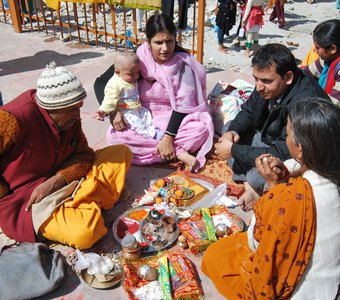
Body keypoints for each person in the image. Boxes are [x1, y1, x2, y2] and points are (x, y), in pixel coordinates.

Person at [202, 98, 340, 299]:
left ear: (299, 148)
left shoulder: (288, 200)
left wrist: (274, 188)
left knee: (216, 257)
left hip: (301, 290)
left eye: (288, 132)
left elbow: (258, 241)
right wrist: (285, 173)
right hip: (332, 284)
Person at [0, 62, 132, 249]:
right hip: (29, 199)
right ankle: (86, 203)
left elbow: (84, 155)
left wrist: (57, 180)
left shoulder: (70, 120)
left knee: (121, 152)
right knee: (86, 233)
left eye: (79, 107)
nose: (78, 115)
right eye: (71, 110)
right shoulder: (12, 118)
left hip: (62, 180)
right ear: (50, 109)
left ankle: (82, 202)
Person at [213, 43, 330, 210]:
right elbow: (248, 110)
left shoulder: (303, 104)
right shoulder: (265, 85)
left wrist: (233, 151)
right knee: (229, 128)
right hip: (268, 137)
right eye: (256, 79)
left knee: (258, 175)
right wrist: (233, 132)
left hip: (294, 154)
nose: (259, 87)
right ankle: (249, 181)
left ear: (288, 77)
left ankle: (251, 183)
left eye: (266, 81)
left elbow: (283, 152)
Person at [94, 14, 214, 172]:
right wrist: (113, 112)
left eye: (169, 41)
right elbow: (100, 83)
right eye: (158, 42)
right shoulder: (138, 59)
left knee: (200, 130)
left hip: (175, 117)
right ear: (148, 42)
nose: (165, 48)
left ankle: (162, 149)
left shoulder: (182, 63)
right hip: (144, 115)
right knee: (114, 135)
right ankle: (177, 152)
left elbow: (183, 106)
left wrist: (168, 138)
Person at [94, 51, 163, 140]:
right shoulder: (114, 84)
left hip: (136, 107)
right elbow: (109, 100)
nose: (136, 76)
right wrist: (103, 111)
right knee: (136, 122)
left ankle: (151, 128)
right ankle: (152, 134)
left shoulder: (128, 76)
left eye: (138, 72)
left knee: (147, 115)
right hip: (125, 111)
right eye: (131, 74)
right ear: (117, 72)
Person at [305, 19, 340, 106]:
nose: (314, 50)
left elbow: (333, 103)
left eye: (317, 47)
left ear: (332, 49)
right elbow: (307, 74)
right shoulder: (328, 60)